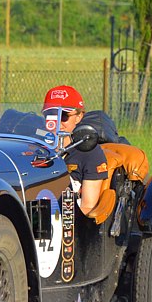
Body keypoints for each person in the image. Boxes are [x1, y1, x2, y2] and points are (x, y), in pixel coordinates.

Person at [42, 85, 108, 216]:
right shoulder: (36, 149)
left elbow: (88, 207)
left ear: (78, 117)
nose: (57, 122)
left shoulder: (90, 152)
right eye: (51, 115)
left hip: (69, 223)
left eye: (64, 116)